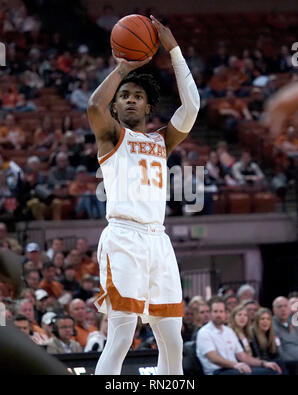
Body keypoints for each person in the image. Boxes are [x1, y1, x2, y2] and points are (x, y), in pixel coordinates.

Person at [87, 15, 199, 375]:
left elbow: (192, 108)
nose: (131, 100)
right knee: (121, 335)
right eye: (124, 97)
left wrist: (174, 50)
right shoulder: (110, 137)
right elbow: (92, 107)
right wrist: (123, 68)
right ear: (115, 108)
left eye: (138, 96)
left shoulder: (160, 141)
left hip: (158, 240)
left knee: (173, 338)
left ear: (148, 107)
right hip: (123, 237)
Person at [196, 298, 279, 375]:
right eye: (215, 311)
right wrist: (235, 364)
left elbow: (242, 356)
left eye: (221, 311)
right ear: (210, 313)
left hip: (234, 369)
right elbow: (213, 357)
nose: (218, 315)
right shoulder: (204, 332)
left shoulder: (228, 331)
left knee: (271, 371)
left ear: (225, 313)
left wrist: (263, 363)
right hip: (217, 371)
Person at [250, 308, 284, 374]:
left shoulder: (271, 334)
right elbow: (258, 356)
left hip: (270, 361)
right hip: (258, 363)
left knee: (281, 362)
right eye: (262, 319)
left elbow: (276, 353)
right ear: (257, 321)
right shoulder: (252, 334)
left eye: (268, 319)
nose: (265, 321)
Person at [272, 296, 298, 375]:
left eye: (285, 306)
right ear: (274, 310)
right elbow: (279, 351)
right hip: (290, 362)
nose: (283, 309)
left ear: (290, 308)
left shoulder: (294, 323)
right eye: (279, 306)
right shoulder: (272, 325)